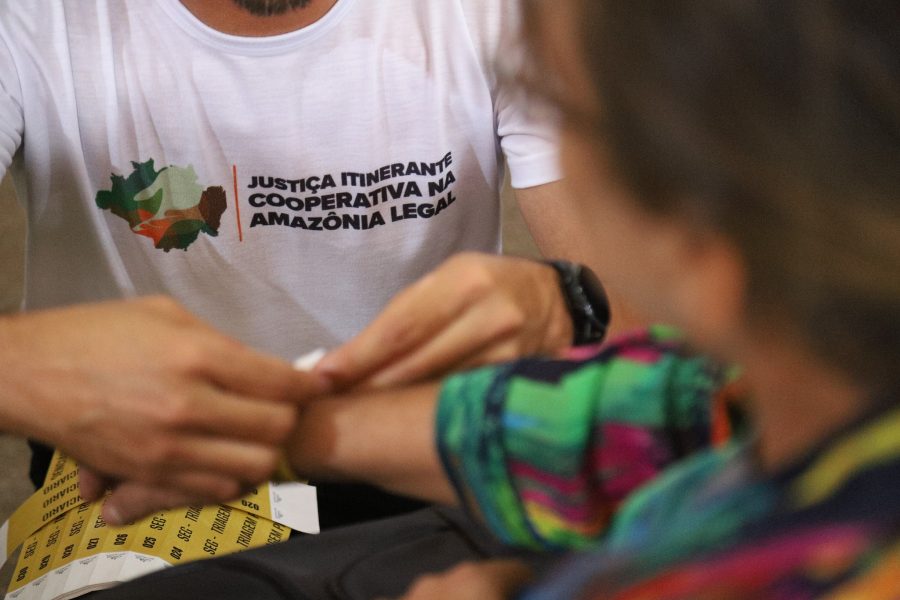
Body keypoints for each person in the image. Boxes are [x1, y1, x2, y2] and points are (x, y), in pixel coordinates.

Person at [94, 0, 900, 597]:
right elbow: (661, 413)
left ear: (703, 241)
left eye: (563, 106)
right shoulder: (795, 382)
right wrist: (275, 428)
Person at [0, 0, 597, 526]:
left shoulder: (504, 12)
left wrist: (569, 303)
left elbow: (648, 325)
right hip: (118, 454)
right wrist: (26, 370)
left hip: (425, 441)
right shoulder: (30, 17)